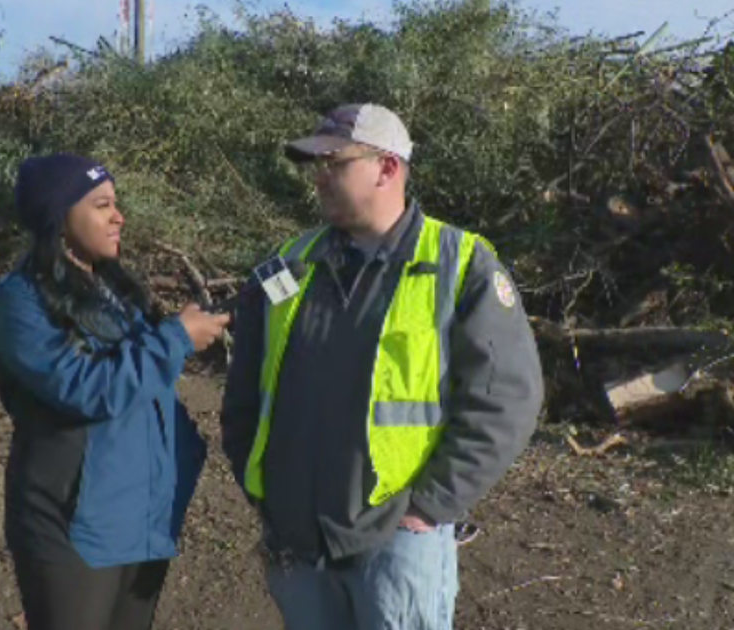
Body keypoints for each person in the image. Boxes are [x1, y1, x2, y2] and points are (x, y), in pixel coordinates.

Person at [220, 103, 544, 629]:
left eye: (334, 163)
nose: (319, 177)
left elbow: (506, 398)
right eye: (316, 165)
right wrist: (264, 492)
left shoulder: (460, 263)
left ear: (387, 167)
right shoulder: (288, 264)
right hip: (296, 544)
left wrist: (431, 506)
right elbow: (243, 392)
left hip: (398, 544)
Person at [0, 154, 229, 630]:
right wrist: (176, 339)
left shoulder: (113, 292)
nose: (119, 217)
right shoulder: (20, 300)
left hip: (141, 516)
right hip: (73, 526)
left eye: (116, 204)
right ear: (58, 219)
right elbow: (86, 388)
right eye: (102, 205)